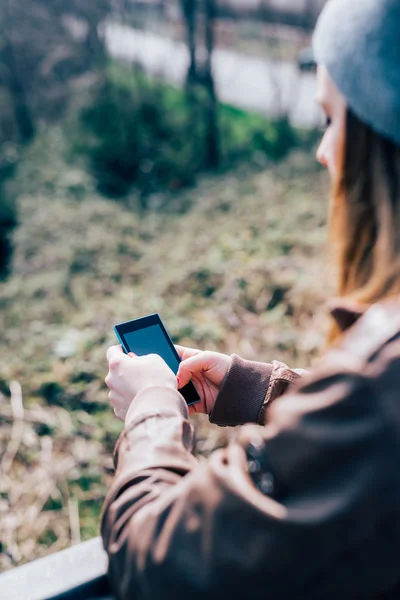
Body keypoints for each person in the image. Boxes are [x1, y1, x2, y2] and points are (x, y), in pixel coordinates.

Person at [102, 1, 400, 598]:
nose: (323, 150)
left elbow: (157, 561)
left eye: (332, 119)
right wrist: (254, 387)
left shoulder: (378, 386)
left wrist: (155, 409)